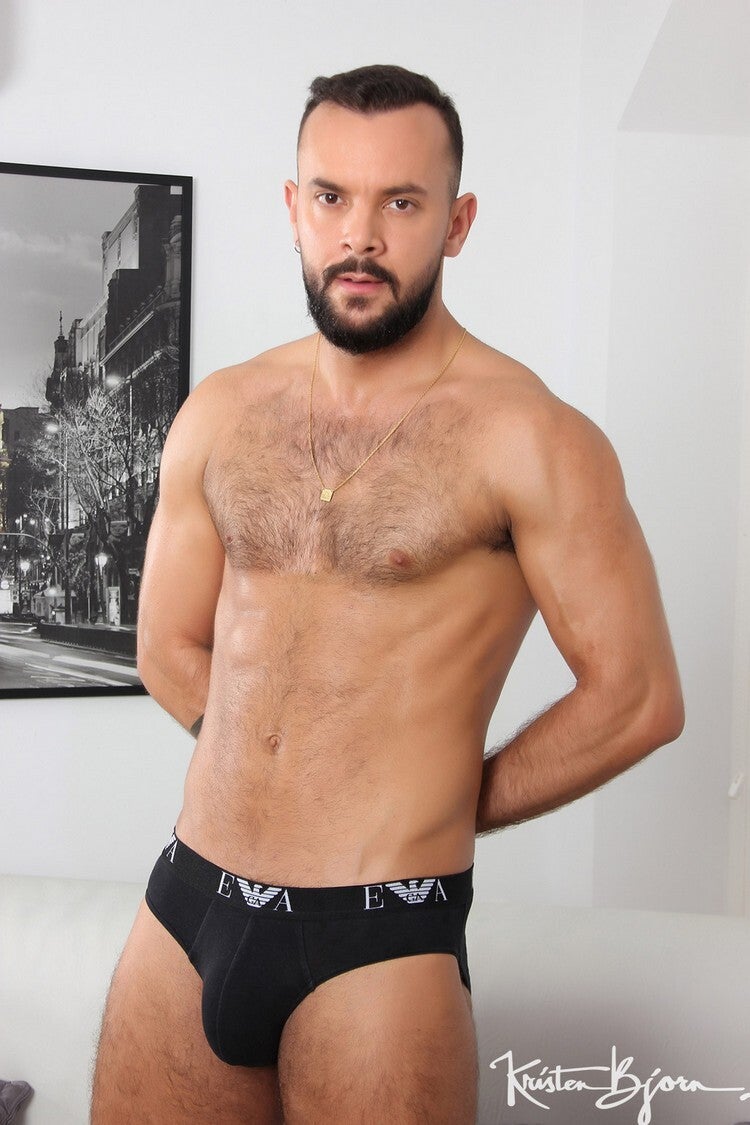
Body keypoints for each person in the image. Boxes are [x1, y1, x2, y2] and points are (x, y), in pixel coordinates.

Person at [90, 64, 684, 1124]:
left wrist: (443, 797)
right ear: (294, 208)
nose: (359, 236)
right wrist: (263, 756)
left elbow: (637, 696)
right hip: (186, 908)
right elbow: (166, 647)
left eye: (401, 203)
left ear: (456, 223)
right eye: (332, 196)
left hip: (374, 931)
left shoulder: (532, 437)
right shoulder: (221, 412)